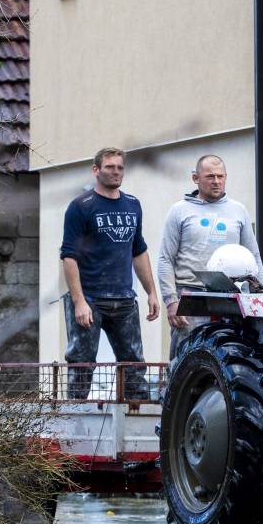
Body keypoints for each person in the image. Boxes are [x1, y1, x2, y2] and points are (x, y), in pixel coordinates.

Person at [60, 147, 159, 399]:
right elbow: (69, 256)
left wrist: (151, 292)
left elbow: (139, 251)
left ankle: (137, 424)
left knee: (134, 364)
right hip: (90, 299)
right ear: (96, 170)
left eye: (120, 168)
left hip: (124, 298)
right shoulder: (80, 206)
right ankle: (75, 419)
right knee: (82, 364)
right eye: (110, 167)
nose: (116, 172)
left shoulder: (133, 205)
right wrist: (79, 301)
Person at [157, 154, 263, 353]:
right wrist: (171, 301)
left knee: (229, 356)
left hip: (230, 296)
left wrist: (262, 294)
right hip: (190, 296)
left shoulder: (238, 211)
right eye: (210, 177)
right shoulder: (179, 211)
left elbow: (254, 255)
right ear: (195, 178)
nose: (216, 182)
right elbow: (165, 259)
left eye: (220, 176)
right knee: (186, 360)